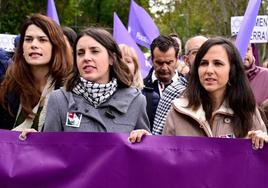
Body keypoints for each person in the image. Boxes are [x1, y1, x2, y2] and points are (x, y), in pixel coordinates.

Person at [129, 37, 268, 150]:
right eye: (203, 63)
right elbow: (164, 158)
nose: (209, 70)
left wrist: (263, 142)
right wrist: (146, 142)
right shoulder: (178, 111)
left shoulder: (248, 110)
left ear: (232, 70)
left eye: (218, 63)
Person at [19, 27, 150, 138]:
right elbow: (50, 153)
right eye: (80, 53)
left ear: (111, 58)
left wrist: (145, 138)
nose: (86, 58)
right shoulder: (59, 99)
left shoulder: (136, 101)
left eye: (95, 51)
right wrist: (36, 142)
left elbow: (143, 157)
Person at [0, 13, 72, 131]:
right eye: (28, 39)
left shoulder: (70, 91)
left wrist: (40, 141)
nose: (33, 45)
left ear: (56, 47)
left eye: (42, 40)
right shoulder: (7, 86)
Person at [152, 35, 208, 135]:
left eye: (207, 51)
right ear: (186, 60)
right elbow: (158, 138)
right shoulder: (175, 90)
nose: (202, 55)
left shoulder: (221, 91)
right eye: (196, 52)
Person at [142, 35, 179, 130]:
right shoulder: (140, 88)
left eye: (169, 62)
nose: (164, 68)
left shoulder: (189, 88)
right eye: (159, 63)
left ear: (177, 59)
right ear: (152, 60)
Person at [230, 35, 268, 106]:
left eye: (247, 49)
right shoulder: (225, 78)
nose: (244, 54)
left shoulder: (266, 75)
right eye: (239, 50)